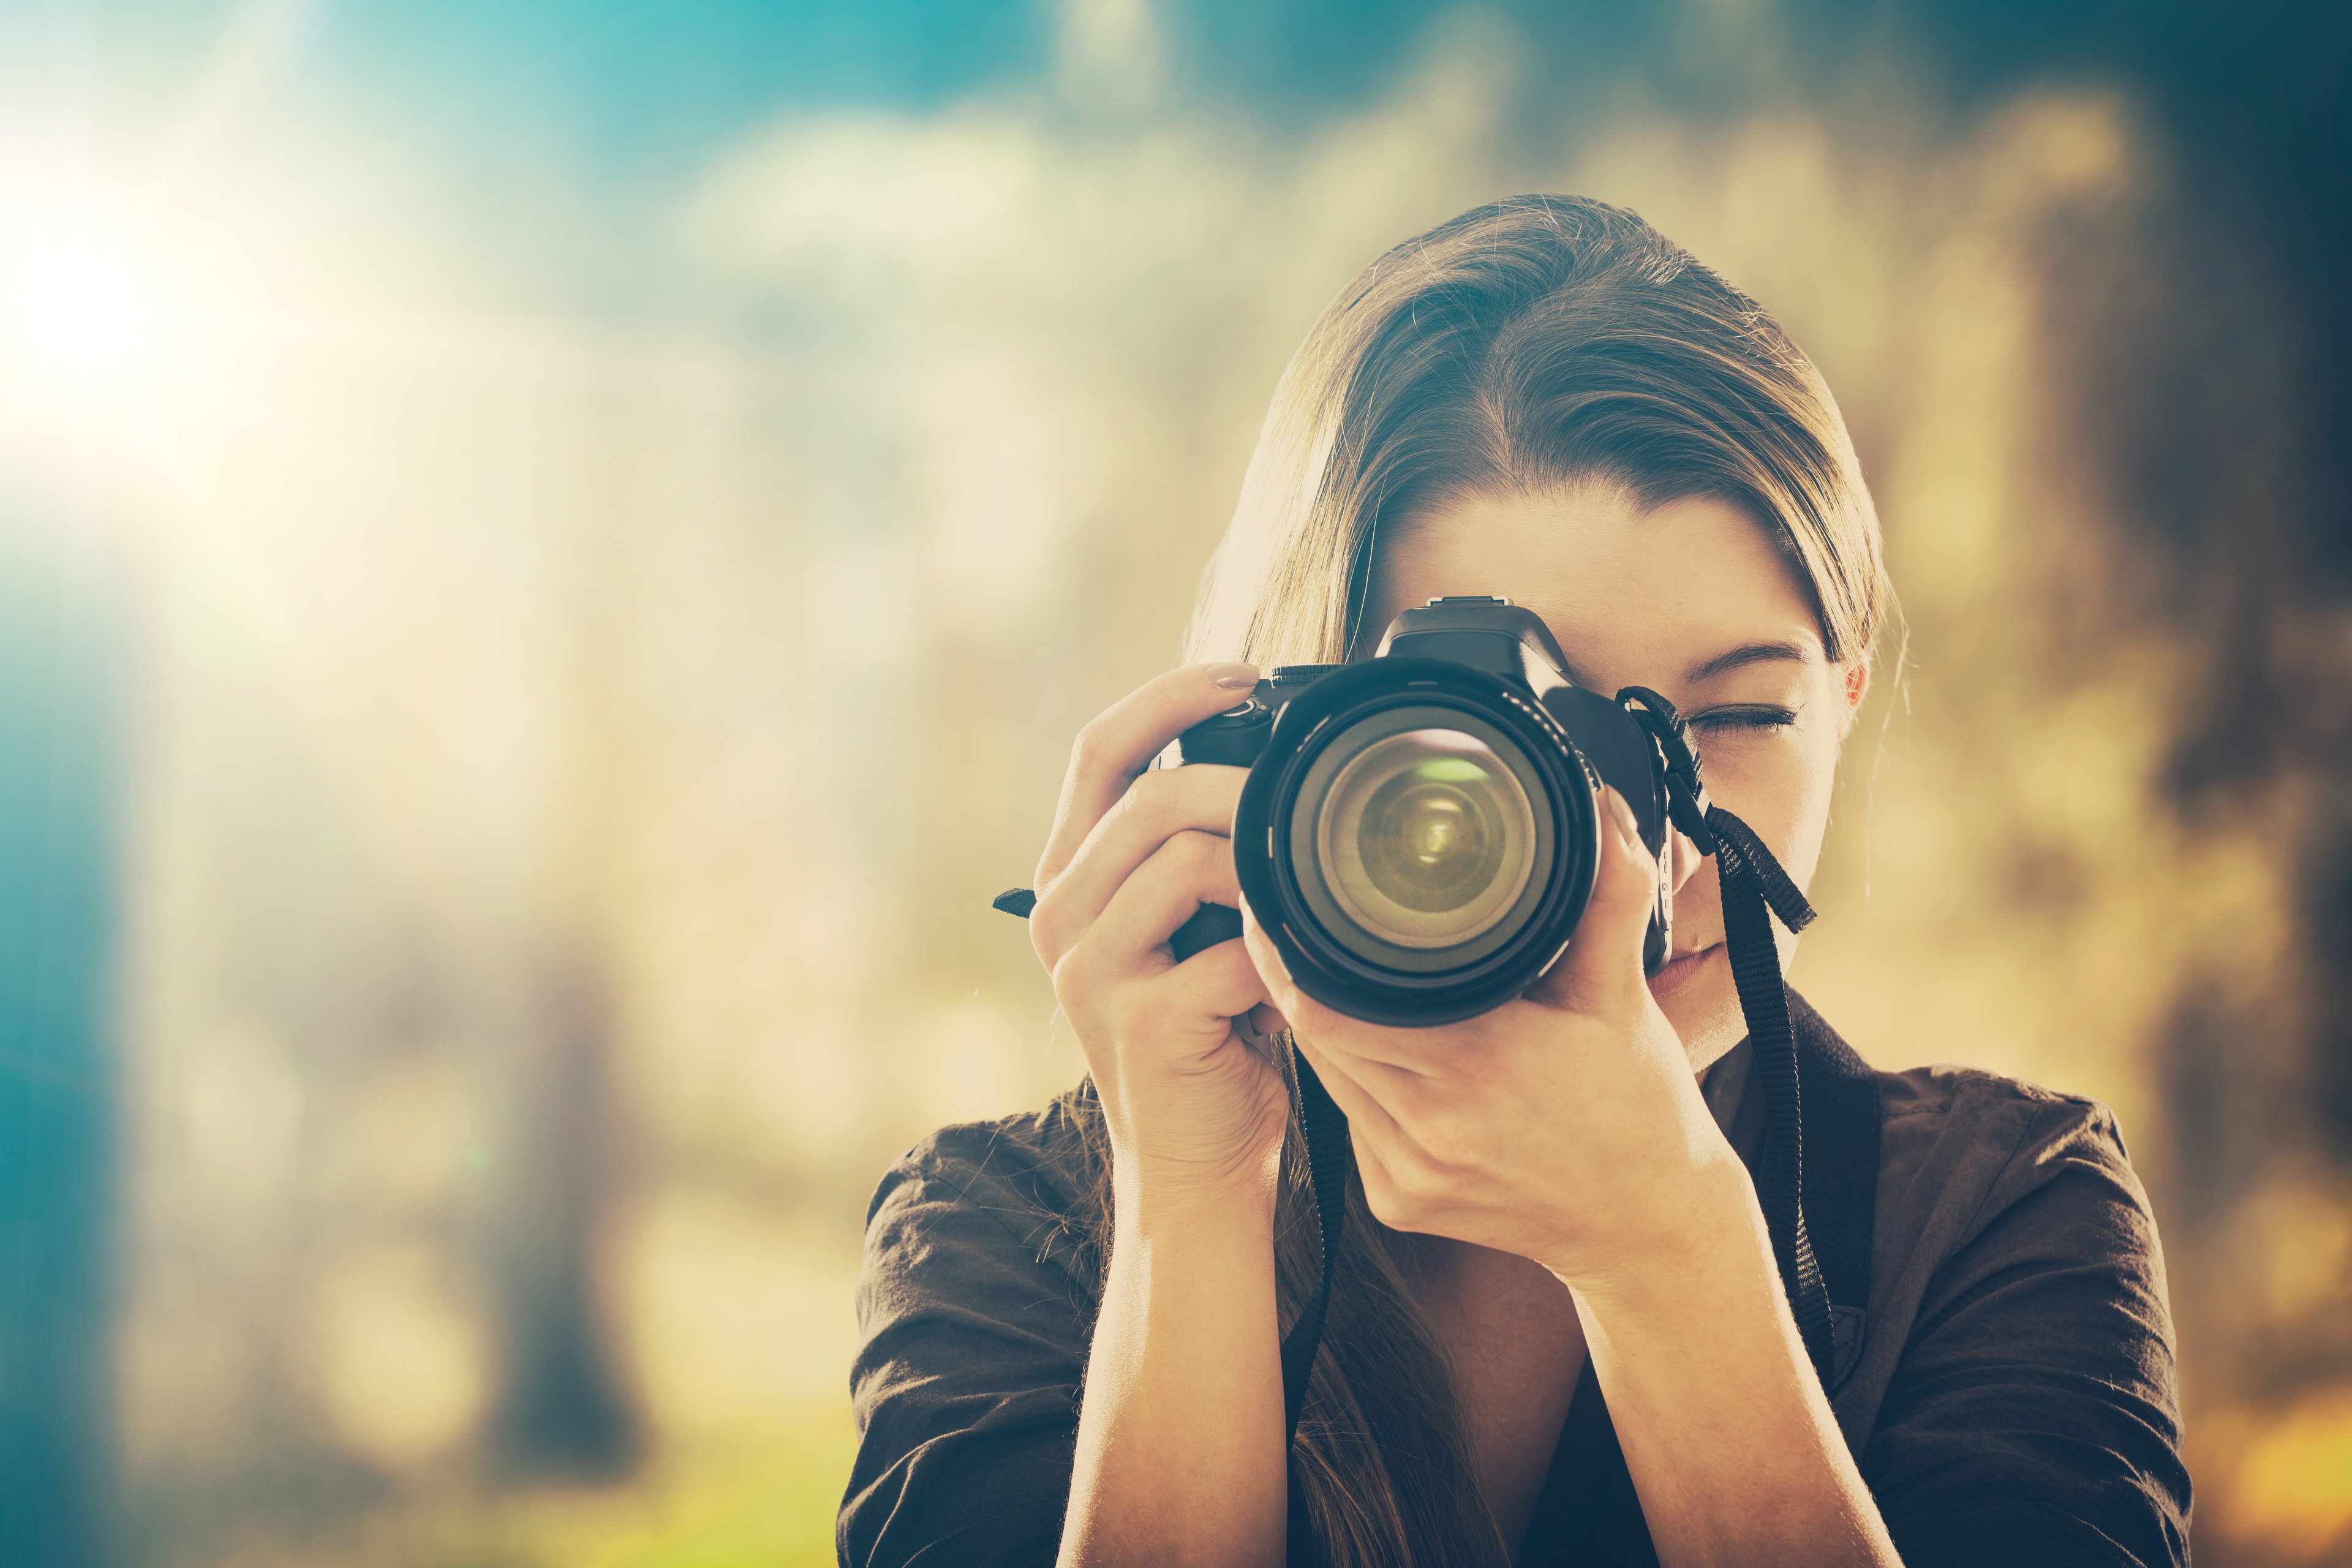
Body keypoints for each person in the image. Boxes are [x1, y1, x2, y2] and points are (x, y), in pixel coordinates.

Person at [837, 194, 2190, 1567]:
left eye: (1735, 720)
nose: (1642, 859)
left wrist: (1668, 1245)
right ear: (1290, 753)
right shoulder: (1011, 1232)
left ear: (1843, 701)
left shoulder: (1999, 1212)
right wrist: (1190, 1200)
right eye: (1514, 741)